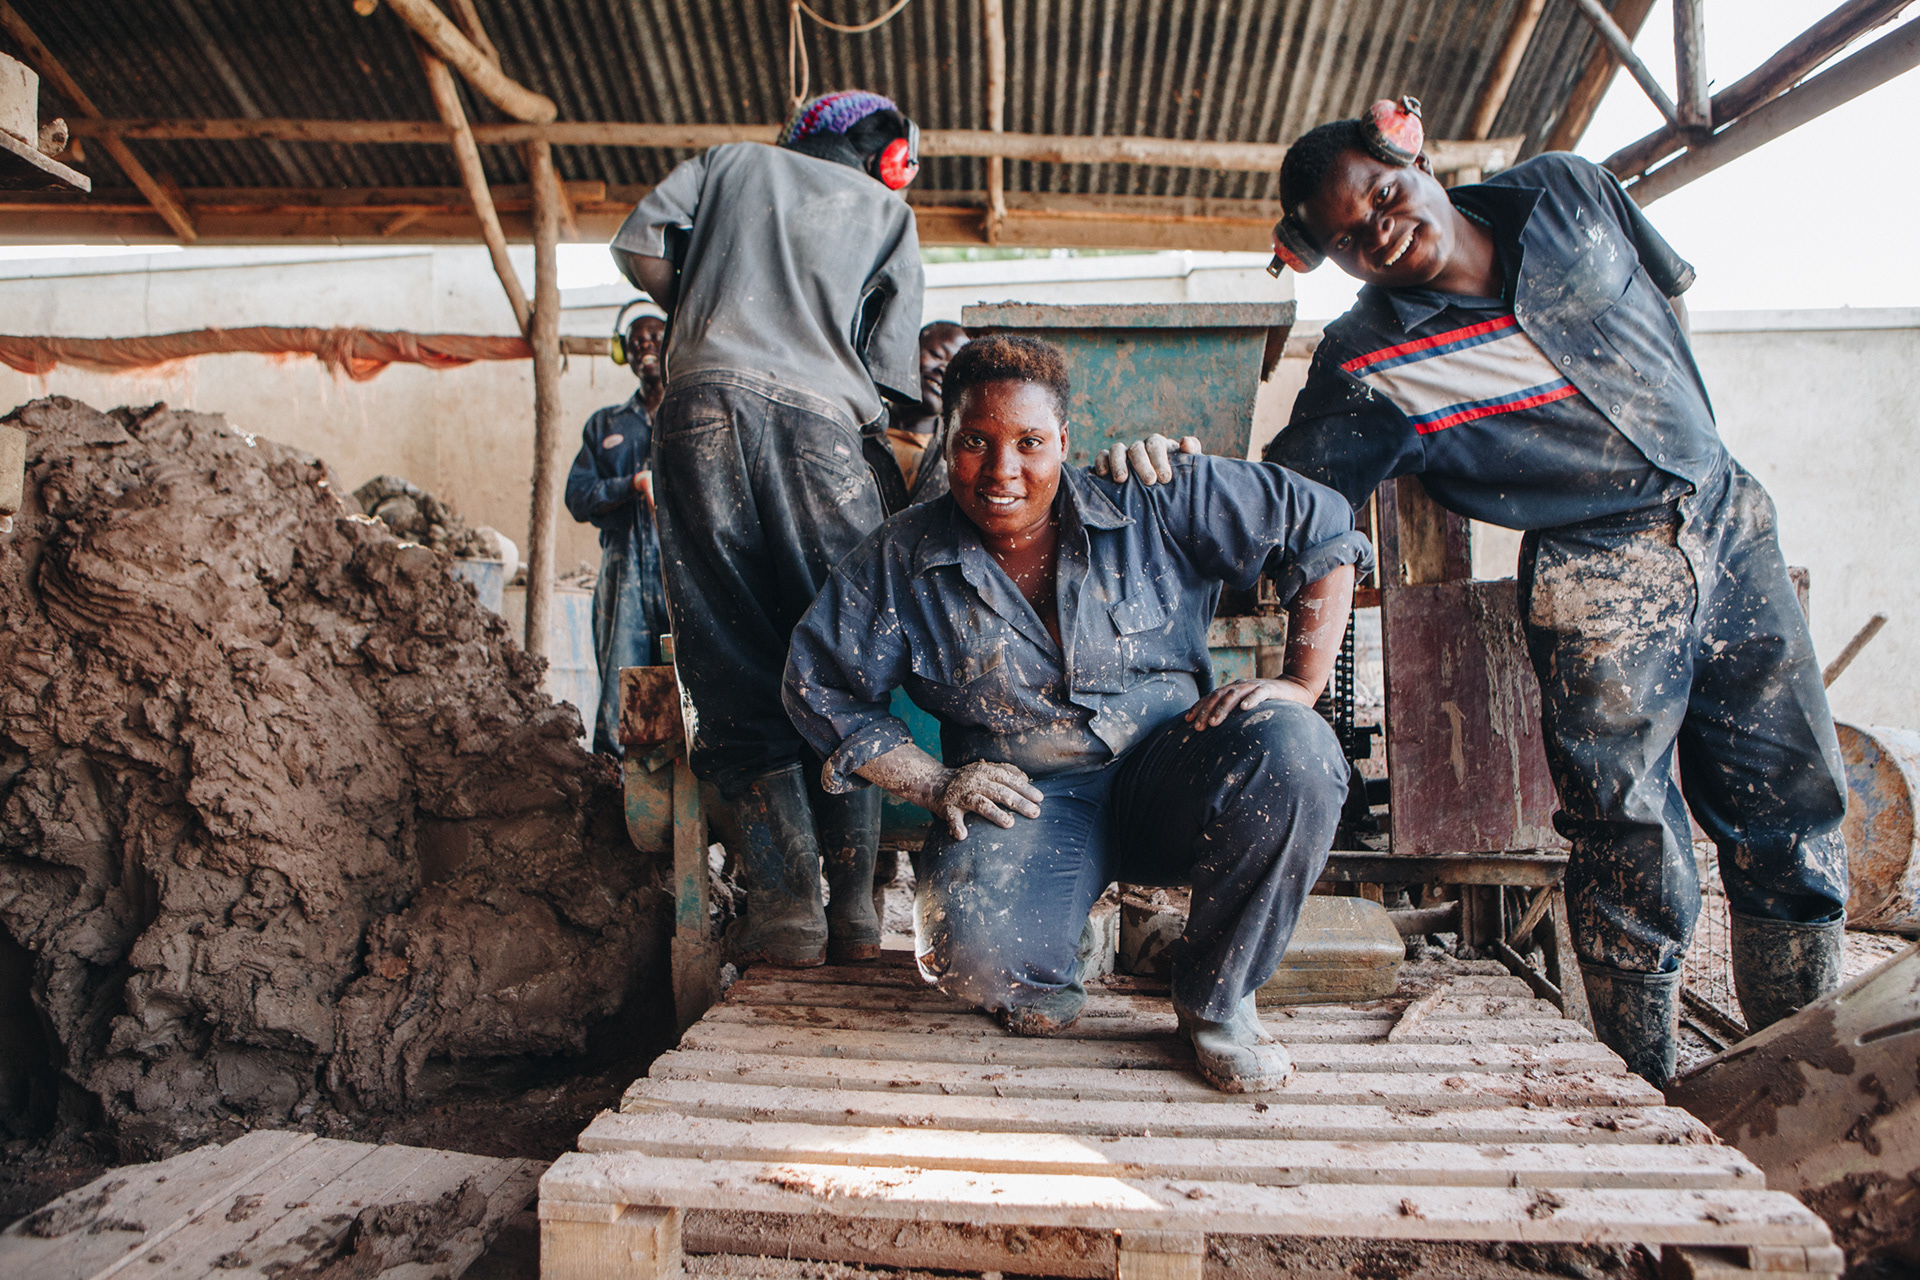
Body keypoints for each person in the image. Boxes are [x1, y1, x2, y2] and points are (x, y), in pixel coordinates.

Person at [1259, 103, 1849, 1084]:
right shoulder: (1366, 364)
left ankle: (1812, 1073)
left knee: (1788, 803)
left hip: (1730, 515)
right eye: (1348, 238)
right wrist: (1176, 485)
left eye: (1384, 193)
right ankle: (1649, 1097)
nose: (1378, 228)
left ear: (1416, 156)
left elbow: (1668, 291)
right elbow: (1290, 505)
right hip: (1598, 568)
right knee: (1628, 836)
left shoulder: (1568, 193)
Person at [783, 335, 1373, 1091]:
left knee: (1298, 750)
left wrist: (1302, 681)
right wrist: (935, 784)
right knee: (972, 961)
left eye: (1029, 442)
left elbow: (1322, 523)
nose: (1002, 471)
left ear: (1064, 441)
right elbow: (819, 685)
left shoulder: (1153, 494)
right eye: (974, 442)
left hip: (1176, 774)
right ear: (944, 442)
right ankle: (1063, 949)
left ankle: (1218, 1002)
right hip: (1036, 802)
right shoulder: (901, 562)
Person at [608, 90, 926, 966]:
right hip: (825, 430)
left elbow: (636, 245)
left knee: (728, 654)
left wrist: (699, 310)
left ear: (801, 134)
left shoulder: (729, 161)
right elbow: (895, 377)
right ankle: (856, 912)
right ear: (883, 158)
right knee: (841, 653)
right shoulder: (888, 213)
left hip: (700, 406)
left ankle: (786, 913)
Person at [565, 310, 672, 757]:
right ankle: (616, 791)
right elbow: (578, 497)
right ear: (622, 353)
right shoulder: (605, 424)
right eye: (634, 341)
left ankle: (686, 796)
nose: (645, 346)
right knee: (621, 688)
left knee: (684, 684)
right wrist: (630, 484)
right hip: (622, 571)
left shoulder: (695, 415)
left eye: (654, 337)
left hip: (679, 573)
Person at [867, 320, 968, 513]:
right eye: (937, 355)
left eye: (956, 369)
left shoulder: (959, 451)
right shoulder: (862, 428)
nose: (943, 369)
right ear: (911, 353)